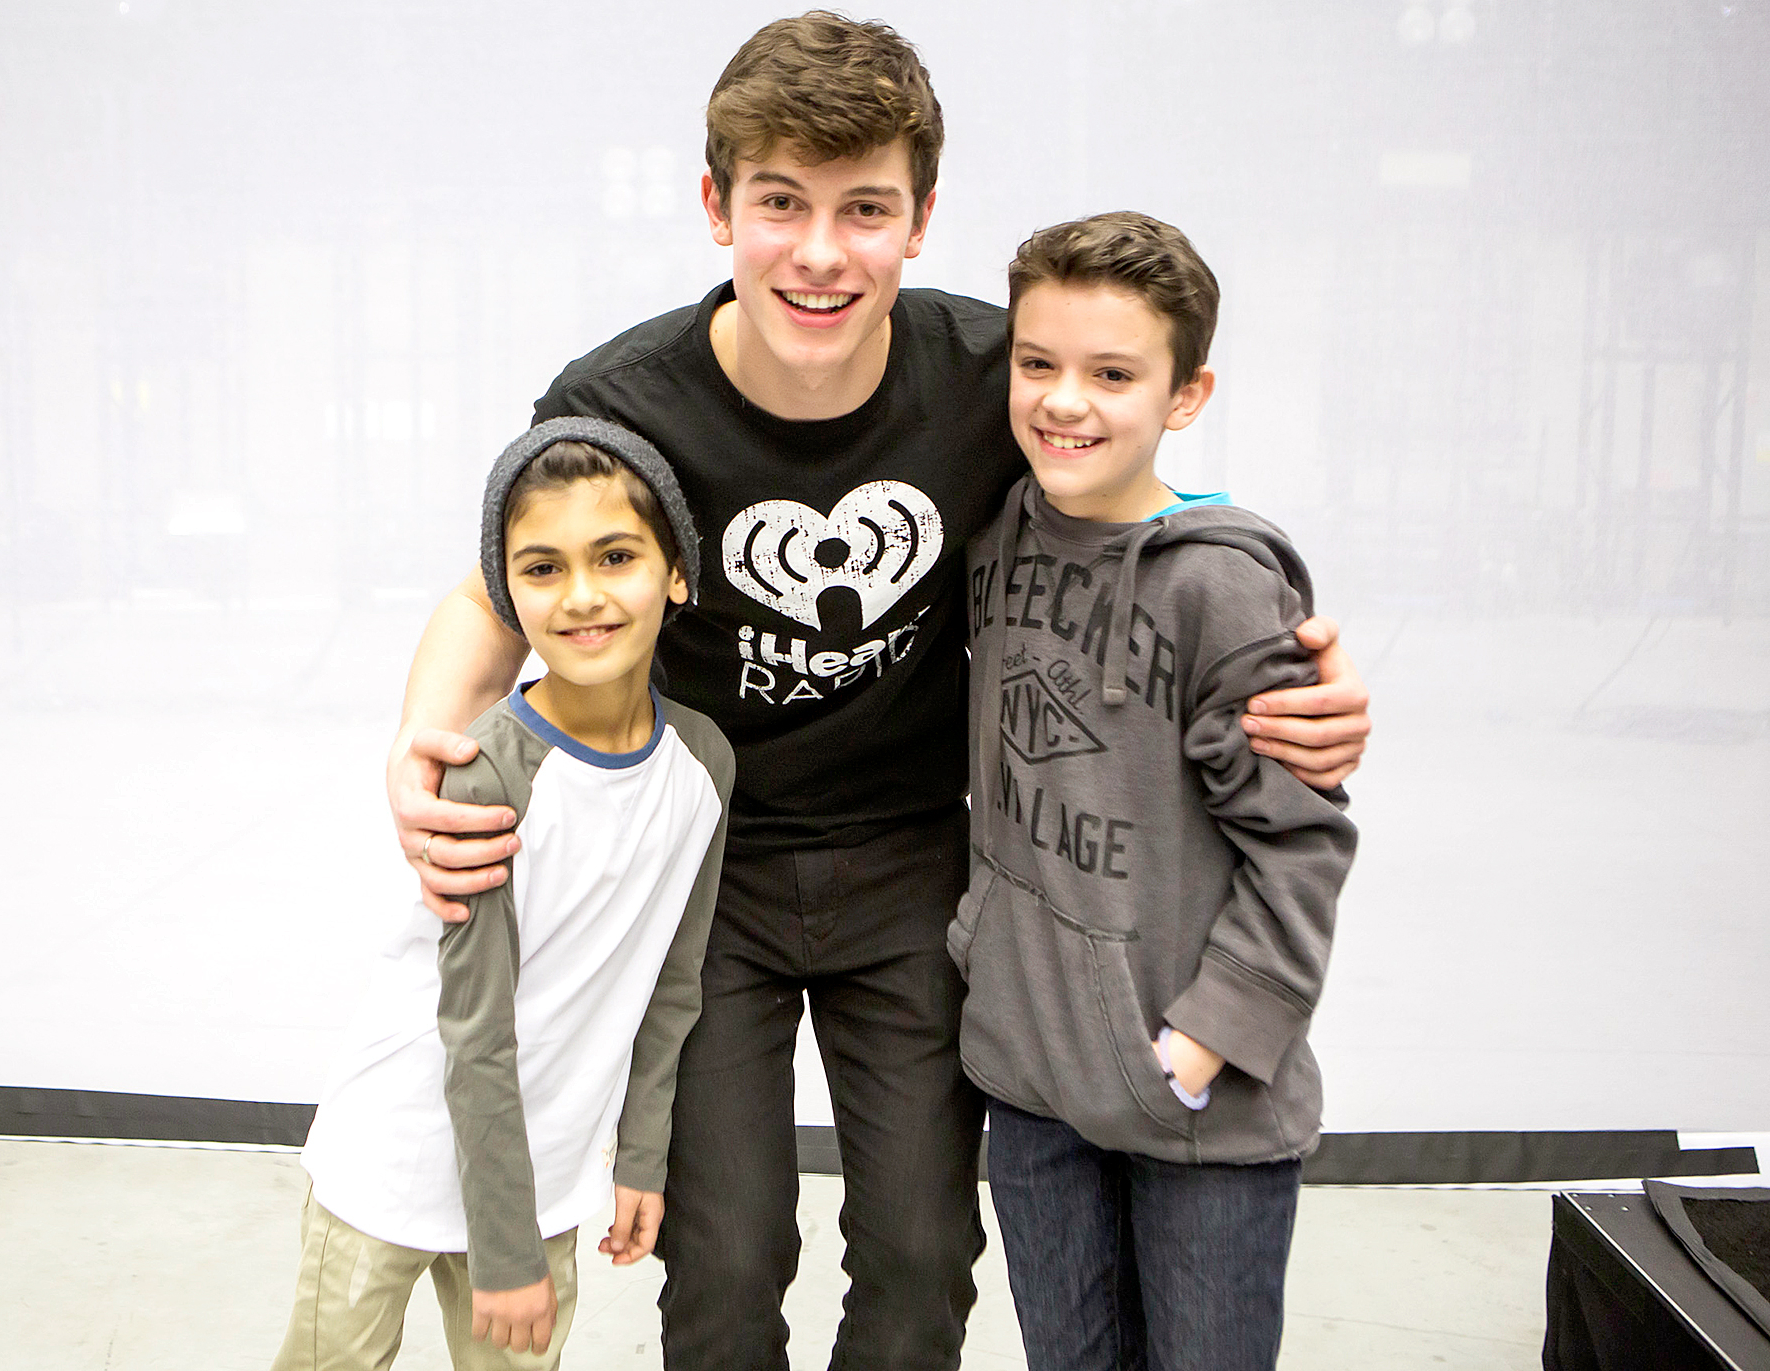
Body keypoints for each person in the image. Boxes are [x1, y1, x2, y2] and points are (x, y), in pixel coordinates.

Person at [384, 14, 1371, 1369]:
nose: (821, 252)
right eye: (780, 204)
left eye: (866, 209)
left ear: (920, 220)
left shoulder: (987, 375)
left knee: (920, 1256)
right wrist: (414, 749)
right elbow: (493, 592)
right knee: (725, 1258)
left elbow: (1138, 509)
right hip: (707, 877)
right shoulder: (621, 399)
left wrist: (1302, 646)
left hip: (914, 867)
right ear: (716, 207)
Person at [952, 211, 1359, 1371]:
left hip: (1202, 1109)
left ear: (1187, 395)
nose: (1065, 401)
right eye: (1039, 365)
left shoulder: (1221, 589)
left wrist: (1200, 1044)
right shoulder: (993, 535)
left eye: (1112, 374)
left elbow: (1301, 844)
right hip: (1034, 1083)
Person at [271, 419, 734, 1371]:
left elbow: (672, 981)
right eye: (542, 568)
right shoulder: (490, 773)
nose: (584, 596)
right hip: (394, 1158)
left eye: (616, 556)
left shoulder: (703, 764)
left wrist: (642, 1154)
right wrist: (506, 1252)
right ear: (510, 594)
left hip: (547, 1171)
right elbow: (475, 1034)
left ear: (677, 572)